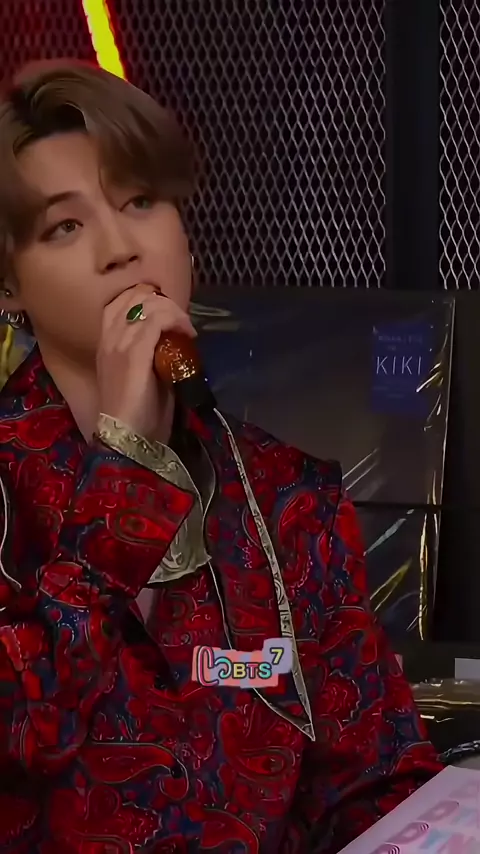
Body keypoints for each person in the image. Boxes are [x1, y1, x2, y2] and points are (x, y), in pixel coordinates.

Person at [0, 60, 441, 854]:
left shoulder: (286, 495)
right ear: (10, 286)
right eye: (65, 226)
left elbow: (372, 782)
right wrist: (126, 469)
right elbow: (22, 731)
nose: (120, 249)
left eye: (140, 201)